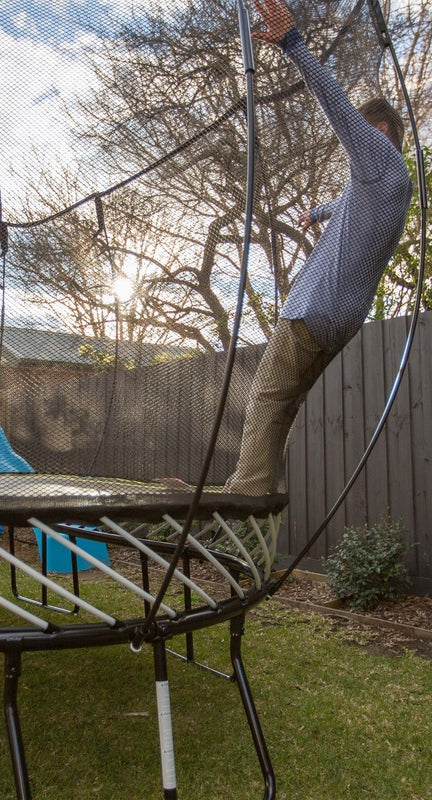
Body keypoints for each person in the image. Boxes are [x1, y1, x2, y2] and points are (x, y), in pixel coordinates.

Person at [224, 0, 413, 495]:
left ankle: (244, 493)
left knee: (265, 397)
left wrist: (293, 44)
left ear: (379, 134)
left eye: (363, 137)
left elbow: (338, 109)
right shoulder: (391, 185)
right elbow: (349, 200)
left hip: (314, 310)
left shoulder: (378, 156)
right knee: (283, 407)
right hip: (340, 320)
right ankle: (263, 489)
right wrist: (320, 213)